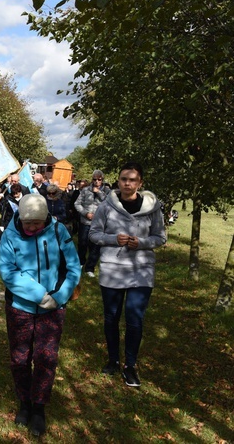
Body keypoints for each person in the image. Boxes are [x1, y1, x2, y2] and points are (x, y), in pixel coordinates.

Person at [0, 194, 81, 437]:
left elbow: (74, 266)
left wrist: (59, 295)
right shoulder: (9, 236)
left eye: (38, 222)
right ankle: (24, 402)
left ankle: (39, 407)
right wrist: (38, 295)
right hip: (20, 307)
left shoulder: (59, 232)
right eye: (28, 223)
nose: (33, 227)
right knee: (20, 358)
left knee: (46, 357)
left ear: (46, 218)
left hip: (54, 307)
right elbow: (8, 271)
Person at [89, 162, 166, 387]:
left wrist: (141, 243)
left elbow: (160, 237)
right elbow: (94, 234)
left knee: (134, 318)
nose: (127, 183)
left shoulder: (153, 208)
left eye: (132, 180)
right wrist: (114, 239)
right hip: (113, 269)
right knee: (111, 317)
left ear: (140, 183)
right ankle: (113, 360)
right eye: (124, 179)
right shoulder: (106, 206)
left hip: (141, 270)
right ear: (118, 180)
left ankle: (130, 365)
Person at [75, 170, 111, 277]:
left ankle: (90, 267)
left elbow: (109, 203)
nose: (96, 181)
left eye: (99, 179)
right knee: (82, 243)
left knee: (95, 246)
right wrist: (85, 213)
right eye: (94, 179)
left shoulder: (107, 191)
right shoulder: (85, 190)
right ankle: (81, 262)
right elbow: (77, 203)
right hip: (85, 221)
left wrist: (98, 192)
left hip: (99, 223)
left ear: (102, 180)